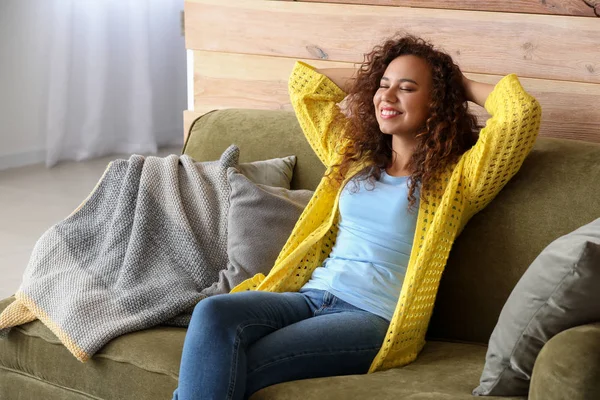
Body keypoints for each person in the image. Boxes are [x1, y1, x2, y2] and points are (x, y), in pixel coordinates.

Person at [173, 34, 541, 400]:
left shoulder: (458, 179)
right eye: (383, 86)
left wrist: (457, 84)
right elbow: (306, 89)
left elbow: (520, 113)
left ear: (436, 102)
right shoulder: (352, 156)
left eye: (408, 88)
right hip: (309, 296)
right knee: (213, 313)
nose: (388, 96)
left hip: (369, 318)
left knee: (239, 363)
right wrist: (374, 78)